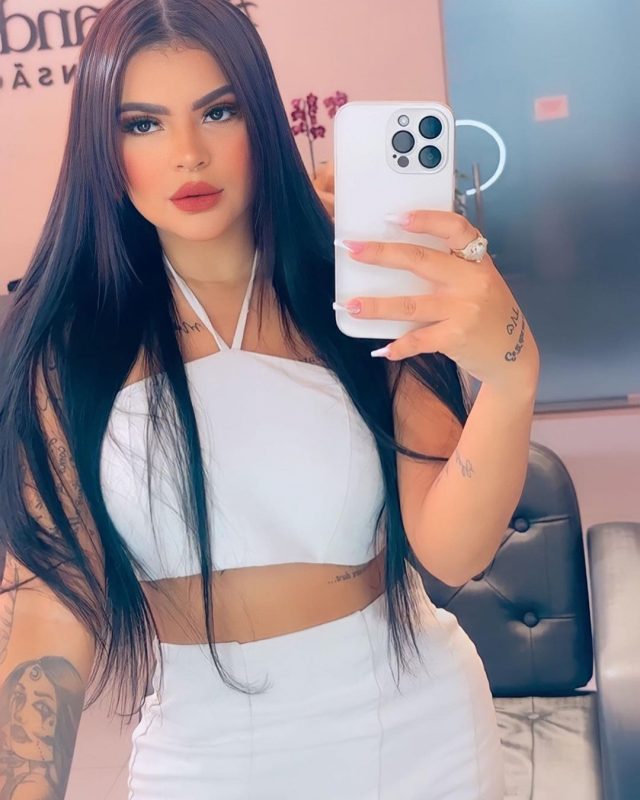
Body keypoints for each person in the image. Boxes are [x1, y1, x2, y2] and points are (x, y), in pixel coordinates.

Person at [0, 0, 540, 797]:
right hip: (203, 754)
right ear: (102, 149)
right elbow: (55, 595)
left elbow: (454, 552)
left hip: (417, 733)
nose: (188, 154)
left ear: (262, 119)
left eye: (218, 111)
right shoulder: (69, 342)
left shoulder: (355, 295)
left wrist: (512, 378)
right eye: (143, 124)